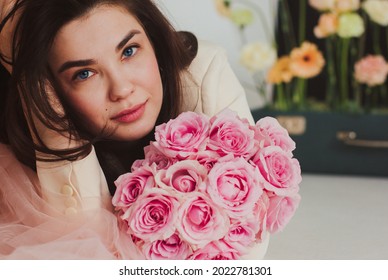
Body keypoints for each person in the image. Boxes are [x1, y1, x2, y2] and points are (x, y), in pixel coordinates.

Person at [0, 0, 269, 259]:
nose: (121, 89)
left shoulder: (204, 75)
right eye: (84, 74)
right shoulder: (29, 128)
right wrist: (46, 108)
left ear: (153, 39)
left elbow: (247, 244)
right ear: (53, 89)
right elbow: (79, 249)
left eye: (129, 51)